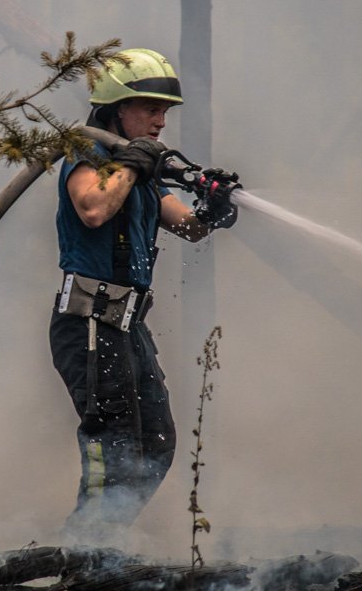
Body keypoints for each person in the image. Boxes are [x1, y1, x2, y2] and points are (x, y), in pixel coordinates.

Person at [50, 47, 239, 539]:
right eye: (150, 109)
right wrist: (132, 163)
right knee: (113, 445)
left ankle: (101, 544)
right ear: (116, 109)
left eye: (164, 112)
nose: (160, 122)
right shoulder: (87, 157)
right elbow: (93, 208)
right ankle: (83, 553)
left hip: (127, 326)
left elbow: (190, 228)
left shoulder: (144, 175)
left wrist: (213, 207)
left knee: (157, 444)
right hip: (89, 322)